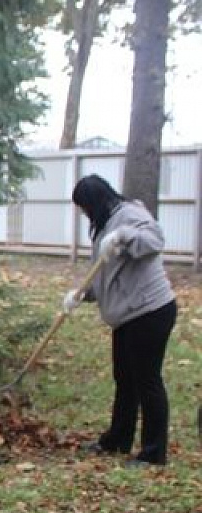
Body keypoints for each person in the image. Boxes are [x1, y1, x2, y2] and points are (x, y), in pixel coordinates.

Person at [64, 174, 177, 467]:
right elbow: (103, 273)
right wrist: (81, 294)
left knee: (147, 381)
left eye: (85, 207)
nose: (85, 214)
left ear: (96, 201)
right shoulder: (104, 227)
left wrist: (125, 236)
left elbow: (155, 239)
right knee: (124, 379)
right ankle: (118, 440)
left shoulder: (130, 215)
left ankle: (154, 453)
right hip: (127, 316)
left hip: (150, 311)